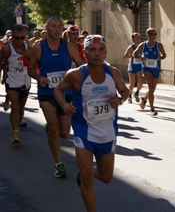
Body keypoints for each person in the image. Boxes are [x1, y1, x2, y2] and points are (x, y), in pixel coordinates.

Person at [54, 35, 129, 212]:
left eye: (100, 50)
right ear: (85, 52)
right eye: (92, 50)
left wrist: (119, 100)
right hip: (83, 132)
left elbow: (125, 91)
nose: (97, 54)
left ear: (105, 52)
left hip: (107, 133)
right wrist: (64, 104)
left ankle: (87, 172)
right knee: (87, 176)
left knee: (106, 177)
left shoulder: (113, 73)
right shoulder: (76, 75)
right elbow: (58, 90)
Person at [27, 16, 84, 178]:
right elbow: (30, 69)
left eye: (60, 26)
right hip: (47, 94)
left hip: (65, 94)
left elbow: (81, 66)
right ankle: (58, 165)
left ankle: (52, 134)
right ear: (47, 29)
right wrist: (39, 78)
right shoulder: (38, 47)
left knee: (65, 133)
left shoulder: (70, 47)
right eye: (54, 26)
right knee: (54, 128)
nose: (58, 29)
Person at [0, 24, 31, 143]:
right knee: (15, 106)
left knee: (21, 107)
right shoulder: (7, 49)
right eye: (17, 38)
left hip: (25, 80)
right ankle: (15, 131)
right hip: (11, 80)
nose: (19, 41)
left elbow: (35, 65)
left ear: (25, 37)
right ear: (12, 37)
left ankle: (16, 124)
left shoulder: (30, 49)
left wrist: (31, 58)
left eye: (22, 38)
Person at [133, 28, 166, 117]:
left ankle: (144, 98)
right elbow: (134, 54)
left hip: (156, 68)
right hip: (146, 68)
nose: (154, 36)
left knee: (152, 89)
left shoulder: (158, 45)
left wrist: (160, 57)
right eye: (152, 34)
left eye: (155, 34)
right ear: (147, 35)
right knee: (150, 87)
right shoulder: (143, 45)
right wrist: (141, 58)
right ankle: (152, 109)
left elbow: (164, 55)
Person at [123, 32, 143, 103]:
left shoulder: (141, 46)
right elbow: (125, 56)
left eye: (138, 37)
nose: (137, 39)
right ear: (133, 39)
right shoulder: (131, 47)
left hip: (140, 66)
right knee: (132, 83)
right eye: (136, 37)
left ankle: (137, 93)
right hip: (132, 66)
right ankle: (129, 95)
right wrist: (132, 55)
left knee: (141, 82)